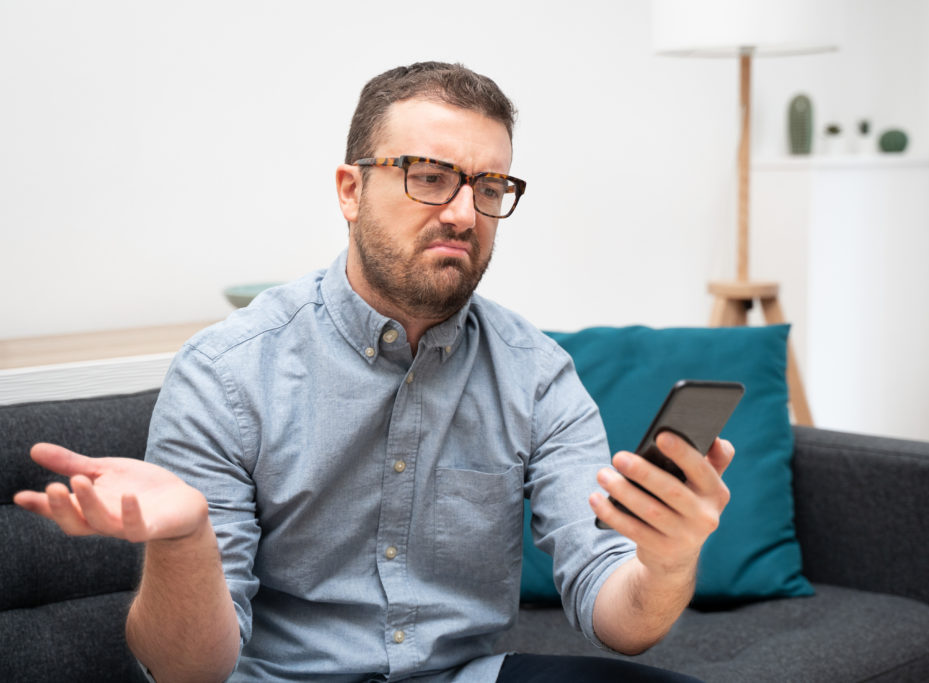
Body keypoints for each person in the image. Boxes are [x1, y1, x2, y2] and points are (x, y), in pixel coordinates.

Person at [14, 62, 733, 682]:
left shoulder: (538, 374)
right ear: (350, 190)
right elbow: (188, 670)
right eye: (429, 176)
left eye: (488, 187)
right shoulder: (226, 373)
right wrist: (183, 541)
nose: (462, 212)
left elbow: (618, 614)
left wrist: (667, 562)